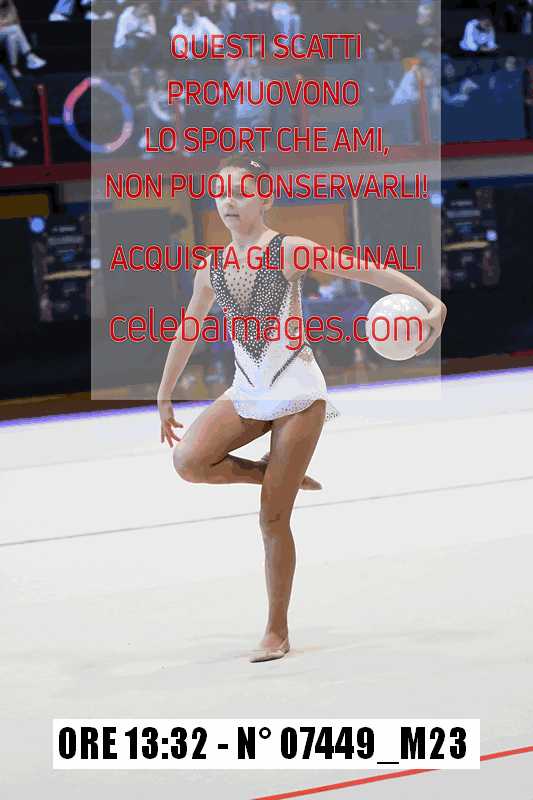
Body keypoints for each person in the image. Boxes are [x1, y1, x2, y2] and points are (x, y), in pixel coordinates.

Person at [157, 155, 446, 663]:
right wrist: (164, 393)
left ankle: (277, 630)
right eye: (221, 191)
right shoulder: (211, 269)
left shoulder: (289, 250)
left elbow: (369, 270)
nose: (228, 200)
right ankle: (271, 473)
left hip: (297, 392)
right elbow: (188, 328)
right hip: (247, 390)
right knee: (188, 461)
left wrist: (432, 303)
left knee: (272, 518)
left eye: (241, 191)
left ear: (265, 197)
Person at [0, 0, 46, 78]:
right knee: (15, 28)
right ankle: (29, 56)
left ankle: (13, 67)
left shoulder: (9, 3)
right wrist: (7, 23)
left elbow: (15, 19)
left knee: (12, 38)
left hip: (7, 33)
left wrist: (5, 23)